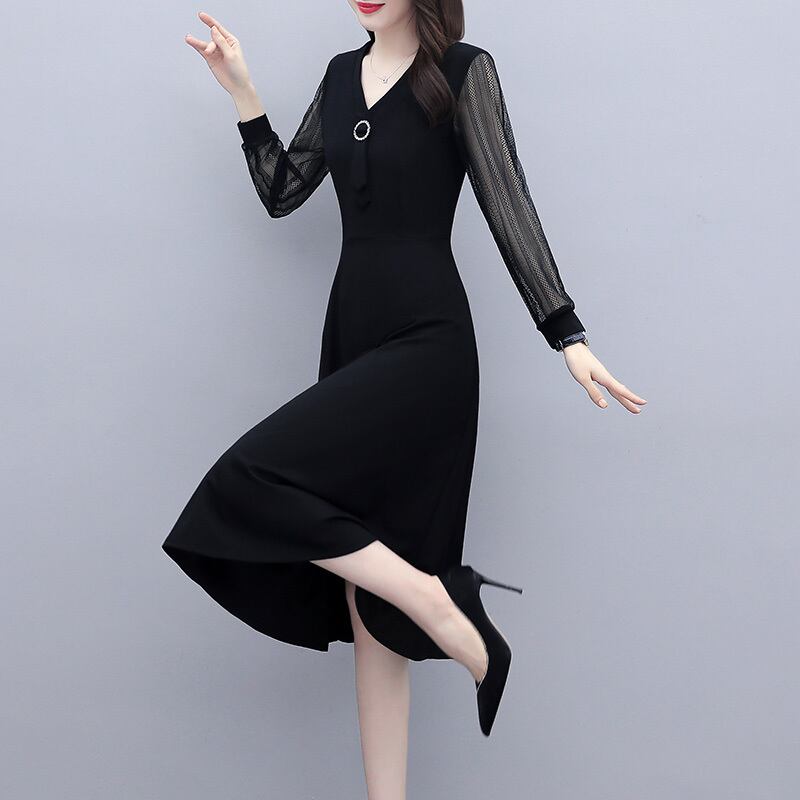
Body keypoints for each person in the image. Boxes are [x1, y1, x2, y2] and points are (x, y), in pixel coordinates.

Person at [163, 0, 646, 790]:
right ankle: (425, 626)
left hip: (428, 343)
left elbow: (507, 202)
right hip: (351, 336)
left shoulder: (461, 71)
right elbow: (284, 191)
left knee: (249, 483)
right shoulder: (339, 77)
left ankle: (440, 603)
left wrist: (567, 333)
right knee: (370, 615)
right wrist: (242, 92)